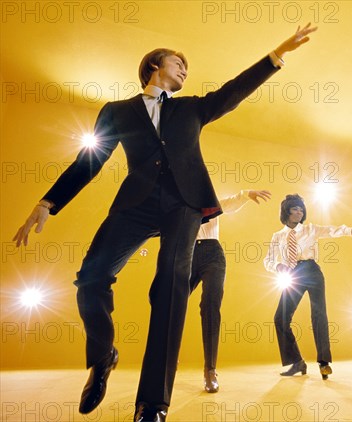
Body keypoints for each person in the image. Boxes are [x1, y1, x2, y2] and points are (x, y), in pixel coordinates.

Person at [13, 24, 317, 422]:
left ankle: (153, 403)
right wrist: (48, 202)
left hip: (184, 203)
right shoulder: (117, 111)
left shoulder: (190, 108)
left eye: (187, 68)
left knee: (172, 286)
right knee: (91, 276)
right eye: (179, 63)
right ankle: (103, 355)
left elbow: (232, 92)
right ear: (155, 65)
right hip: (136, 203)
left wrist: (277, 54)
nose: (185, 70)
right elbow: (89, 161)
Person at [264, 194, 352, 380]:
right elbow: (268, 260)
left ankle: (324, 363)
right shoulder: (278, 236)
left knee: (319, 314)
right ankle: (297, 362)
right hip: (292, 273)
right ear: (286, 211)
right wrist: (278, 266)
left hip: (311, 270)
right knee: (280, 318)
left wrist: (349, 231)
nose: (299, 212)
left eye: (301, 209)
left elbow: (331, 230)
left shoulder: (311, 229)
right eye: (295, 208)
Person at [189, 189, 271, 393]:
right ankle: (166, 364)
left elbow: (229, 202)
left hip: (213, 255)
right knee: (171, 305)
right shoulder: (175, 204)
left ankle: (210, 370)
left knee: (210, 306)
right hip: (186, 255)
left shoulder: (208, 202)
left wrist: (245, 194)